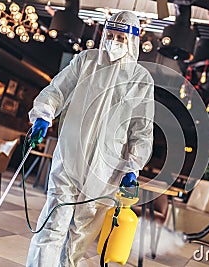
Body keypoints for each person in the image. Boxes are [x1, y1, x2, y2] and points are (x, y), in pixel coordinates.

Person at [26, 11, 154, 267]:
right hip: (69, 162)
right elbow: (57, 90)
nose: (114, 41)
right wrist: (44, 114)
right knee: (52, 227)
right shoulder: (86, 61)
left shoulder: (140, 80)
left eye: (121, 37)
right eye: (111, 35)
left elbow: (141, 129)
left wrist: (132, 168)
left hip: (105, 173)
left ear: (133, 41)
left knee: (79, 239)